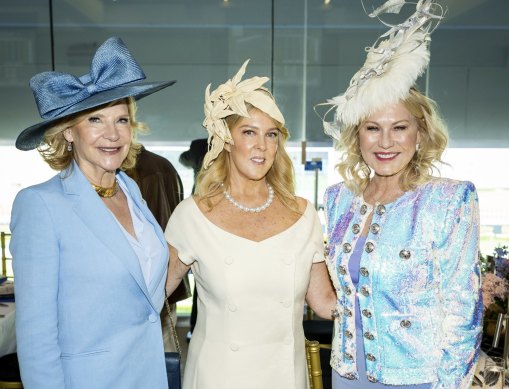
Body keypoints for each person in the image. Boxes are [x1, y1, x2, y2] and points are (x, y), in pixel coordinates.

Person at [319, 1, 482, 388]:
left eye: (400, 127)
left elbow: (463, 312)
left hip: (419, 380)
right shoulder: (338, 199)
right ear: (357, 137)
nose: (386, 141)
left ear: (420, 133)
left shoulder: (449, 200)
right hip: (346, 374)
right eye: (373, 128)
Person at [10, 37, 175, 389]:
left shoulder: (131, 191)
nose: (112, 134)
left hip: (147, 376)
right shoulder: (40, 205)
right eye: (95, 119)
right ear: (68, 131)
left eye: (122, 119)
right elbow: (36, 335)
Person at [164, 59, 336, 389]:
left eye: (271, 135)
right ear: (226, 140)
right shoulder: (193, 215)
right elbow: (152, 296)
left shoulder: (304, 215)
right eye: (249, 132)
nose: (261, 146)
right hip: (217, 376)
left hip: (286, 376)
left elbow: (326, 304)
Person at [125, 145, 192, 352]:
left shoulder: (135, 171)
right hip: (165, 278)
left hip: (150, 281)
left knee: (156, 353)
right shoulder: (162, 166)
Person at [177, 138, 208, 340]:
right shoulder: (208, 174)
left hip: (200, 232)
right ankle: (197, 327)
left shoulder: (203, 177)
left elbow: (183, 159)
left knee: (202, 285)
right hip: (200, 232)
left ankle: (196, 327)